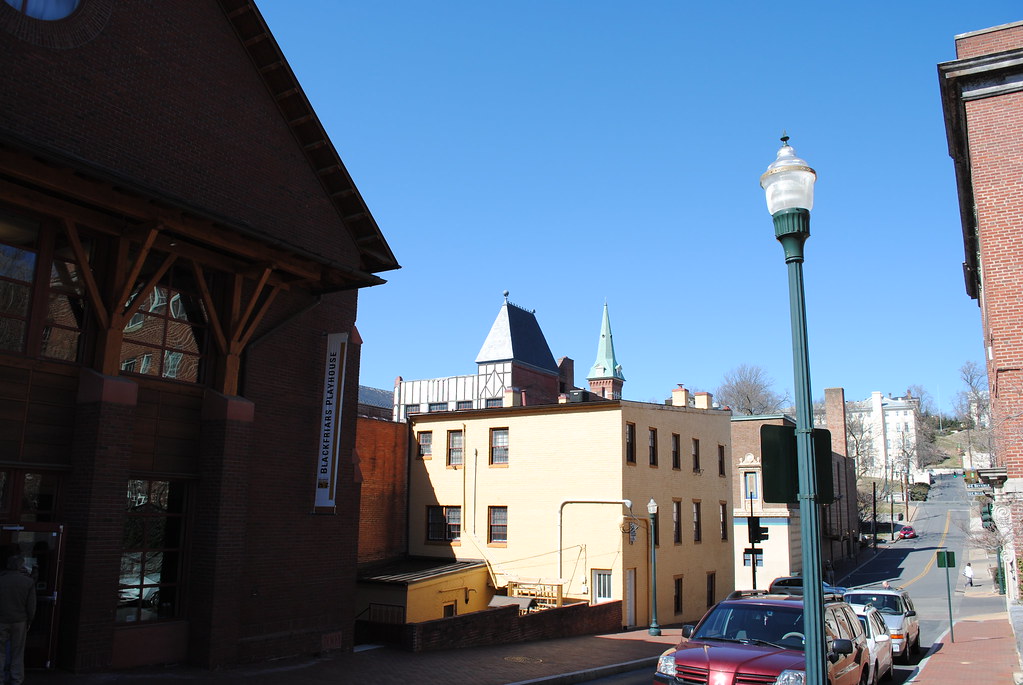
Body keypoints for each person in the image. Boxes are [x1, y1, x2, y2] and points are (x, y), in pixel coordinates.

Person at [0, 555, 35, 685]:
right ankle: (16, 679)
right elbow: (31, 606)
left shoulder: (1, 580)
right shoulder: (27, 582)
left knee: (0, 652)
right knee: (18, 652)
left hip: (1, 619)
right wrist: (29, 620)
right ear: (21, 565)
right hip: (20, 620)